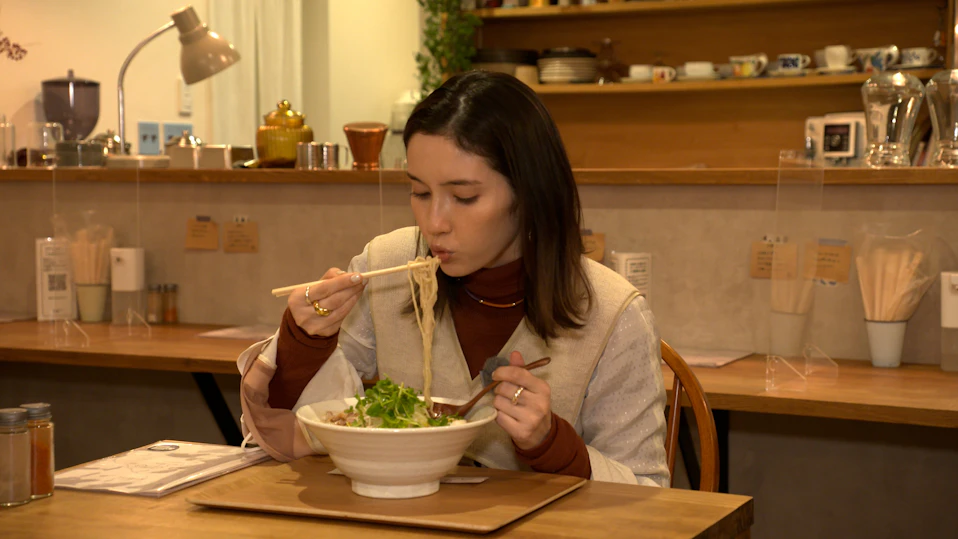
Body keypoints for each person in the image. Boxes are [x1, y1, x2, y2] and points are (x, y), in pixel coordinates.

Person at [236, 70, 669, 486]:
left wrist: (551, 444)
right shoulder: (388, 265)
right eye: (420, 192)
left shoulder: (613, 312)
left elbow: (647, 497)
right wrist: (303, 342)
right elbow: (290, 432)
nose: (434, 222)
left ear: (528, 193)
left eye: (463, 197)